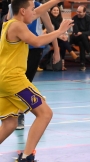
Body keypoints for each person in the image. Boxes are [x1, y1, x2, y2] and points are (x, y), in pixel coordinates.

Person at [0, 0, 73, 162]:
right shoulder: (17, 26)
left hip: (3, 79)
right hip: (13, 79)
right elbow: (37, 41)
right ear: (23, 11)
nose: (35, 13)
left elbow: (39, 11)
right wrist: (59, 31)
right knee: (45, 113)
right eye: (31, 9)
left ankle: (25, 157)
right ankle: (25, 159)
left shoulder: (10, 21)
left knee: (10, 123)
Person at [6, 0, 61, 129]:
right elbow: (9, 26)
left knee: (25, 81)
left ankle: (20, 115)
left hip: (33, 50)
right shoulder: (14, 7)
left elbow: (49, 28)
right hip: (17, 50)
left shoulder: (36, 7)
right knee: (18, 84)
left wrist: (57, 50)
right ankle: (29, 104)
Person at [48, 5, 78, 69]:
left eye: (57, 10)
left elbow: (64, 31)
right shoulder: (48, 20)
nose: (56, 11)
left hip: (59, 39)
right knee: (63, 42)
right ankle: (71, 52)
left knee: (63, 43)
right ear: (51, 11)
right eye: (54, 10)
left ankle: (62, 65)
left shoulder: (61, 20)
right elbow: (49, 32)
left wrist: (64, 36)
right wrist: (59, 36)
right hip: (49, 39)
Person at [70, 5, 90, 71]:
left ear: (84, 12)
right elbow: (76, 31)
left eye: (80, 12)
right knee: (82, 37)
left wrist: (84, 34)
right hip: (75, 38)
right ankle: (89, 52)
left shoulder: (89, 18)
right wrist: (87, 35)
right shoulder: (74, 18)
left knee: (81, 43)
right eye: (77, 11)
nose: (78, 13)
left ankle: (82, 64)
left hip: (83, 38)